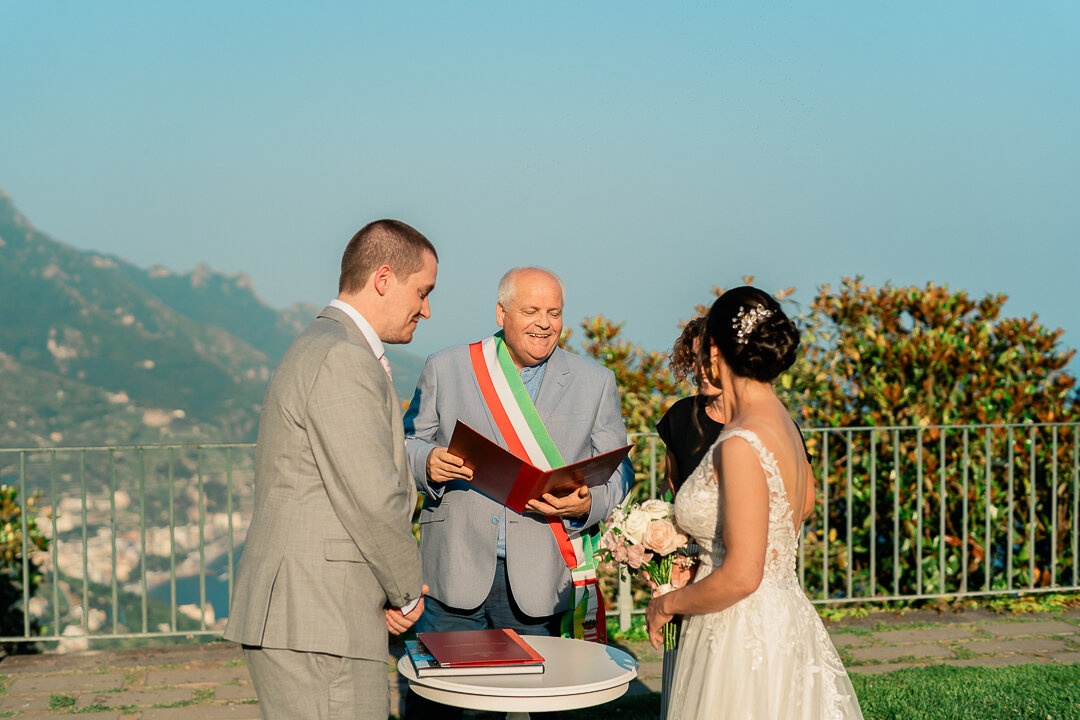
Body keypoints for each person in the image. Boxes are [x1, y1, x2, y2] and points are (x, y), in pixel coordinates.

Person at [224, 220, 438, 720]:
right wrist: (405, 592)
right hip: (320, 618)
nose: (427, 310)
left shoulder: (323, 343)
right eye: (422, 292)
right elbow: (373, 497)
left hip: (311, 614)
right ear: (384, 278)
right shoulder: (343, 357)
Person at [403, 266, 634, 720]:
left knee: (542, 703)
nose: (543, 323)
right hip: (454, 565)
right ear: (501, 312)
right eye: (531, 311)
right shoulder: (448, 367)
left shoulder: (595, 380)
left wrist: (591, 502)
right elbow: (407, 440)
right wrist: (426, 461)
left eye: (554, 312)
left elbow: (619, 469)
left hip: (541, 574)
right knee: (438, 703)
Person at [646, 286, 863, 719]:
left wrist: (665, 604)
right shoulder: (781, 422)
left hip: (739, 629)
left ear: (713, 351)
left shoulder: (741, 441)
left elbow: (743, 575)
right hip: (786, 615)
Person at [652, 315, 723, 720]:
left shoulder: (762, 423)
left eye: (709, 358)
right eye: (693, 358)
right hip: (687, 565)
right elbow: (671, 486)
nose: (700, 369)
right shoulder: (679, 417)